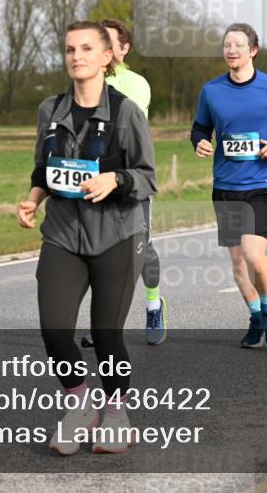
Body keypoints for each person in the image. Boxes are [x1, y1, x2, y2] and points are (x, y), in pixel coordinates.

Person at [17, 20, 156, 455]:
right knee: (55, 329)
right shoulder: (49, 110)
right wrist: (32, 198)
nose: (77, 57)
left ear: (107, 56)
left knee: (106, 332)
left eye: (86, 49)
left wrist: (115, 179)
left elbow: (148, 177)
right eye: (70, 50)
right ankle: (80, 405)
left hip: (117, 233)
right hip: (61, 233)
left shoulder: (126, 112)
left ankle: (117, 412)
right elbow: (44, 167)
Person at [191, 22, 267, 348]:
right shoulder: (211, 90)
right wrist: (200, 142)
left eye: (238, 45)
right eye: (227, 45)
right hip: (226, 186)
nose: (231, 50)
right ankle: (255, 315)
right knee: (238, 261)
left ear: (253, 50)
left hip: (262, 184)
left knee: (252, 253)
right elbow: (200, 128)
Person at [79, 18, 167, 347]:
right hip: (92, 180)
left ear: (123, 49)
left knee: (141, 250)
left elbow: (125, 130)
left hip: (129, 179)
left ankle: (154, 305)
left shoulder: (136, 84)